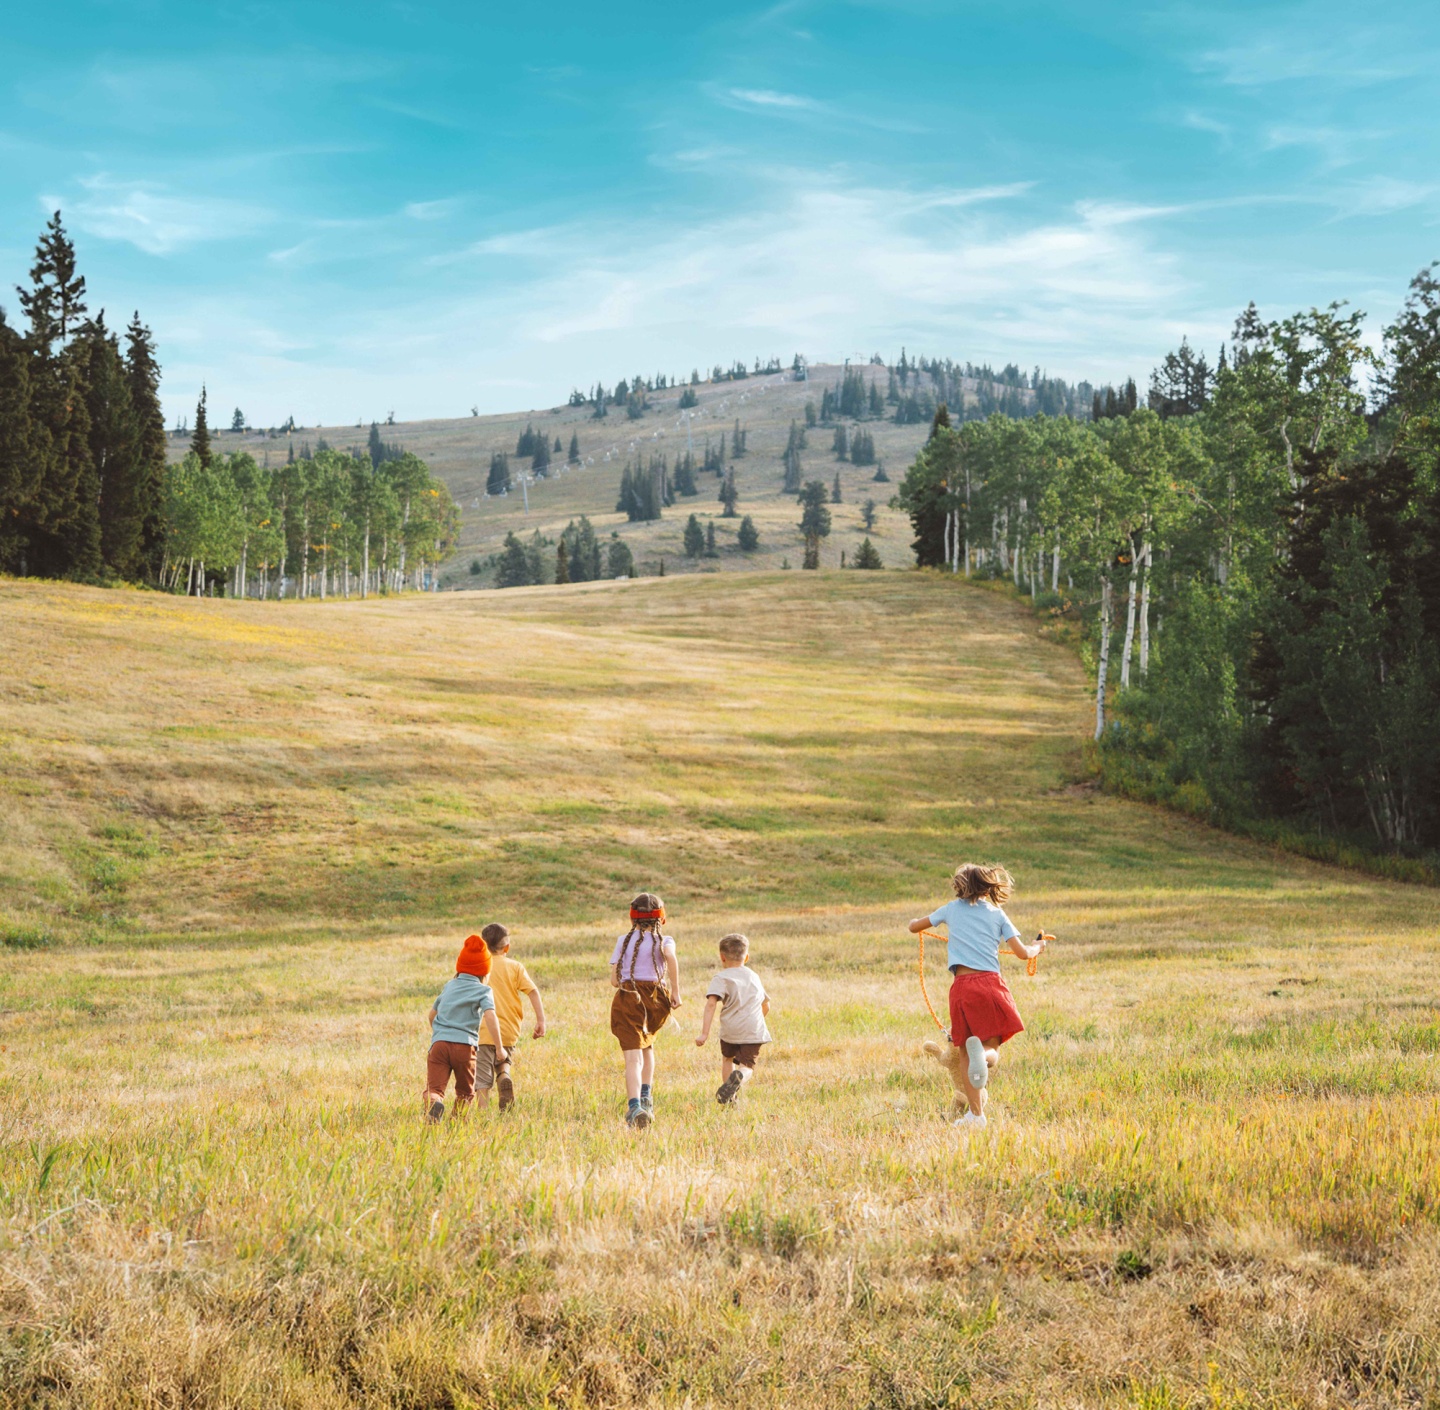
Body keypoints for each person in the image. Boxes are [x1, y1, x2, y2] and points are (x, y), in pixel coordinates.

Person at [907, 864, 1047, 1129]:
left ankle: (976, 1115)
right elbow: (1022, 953)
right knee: (990, 1046)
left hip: (961, 988)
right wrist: (1037, 947)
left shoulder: (950, 909)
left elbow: (916, 927)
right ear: (989, 887)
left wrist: (912, 924)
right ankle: (983, 1058)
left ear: (960, 885)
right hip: (989, 985)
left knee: (963, 1052)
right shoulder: (997, 914)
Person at [609, 891, 683, 1128]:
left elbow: (614, 980)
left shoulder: (624, 940)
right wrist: (675, 991)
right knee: (648, 1046)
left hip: (629, 998)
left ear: (632, 919)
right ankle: (646, 1097)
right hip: (656, 998)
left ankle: (634, 1108)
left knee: (633, 1057)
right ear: (662, 919)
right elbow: (670, 958)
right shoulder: (665, 941)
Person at [424, 933, 507, 1123]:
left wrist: (439, 1034)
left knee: (434, 1089)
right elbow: (490, 1015)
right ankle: (456, 1124)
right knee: (465, 1092)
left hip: (440, 1045)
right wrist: (500, 1048)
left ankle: (434, 1102)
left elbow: (432, 1015)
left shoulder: (449, 986)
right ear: (484, 972)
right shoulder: (484, 990)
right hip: (465, 1047)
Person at [695, 932, 771, 1104]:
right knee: (747, 1067)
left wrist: (704, 1034)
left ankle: (731, 1099)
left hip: (730, 1029)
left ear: (722, 957)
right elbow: (766, 1005)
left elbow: (711, 1005)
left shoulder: (721, 977)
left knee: (727, 1059)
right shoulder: (753, 976)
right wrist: (757, 1022)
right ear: (747, 957)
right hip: (753, 1028)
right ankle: (739, 1078)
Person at [481, 922, 546, 1111]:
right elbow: (533, 991)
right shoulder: (515, 967)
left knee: (482, 1076)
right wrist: (540, 1020)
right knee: (503, 1060)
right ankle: (504, 1076)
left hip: (483, 1030)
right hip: (509, 1029)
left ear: (483, 946)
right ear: (506, 947)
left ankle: (482, 1113)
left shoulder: (480, 967)